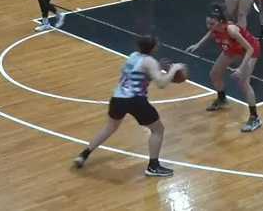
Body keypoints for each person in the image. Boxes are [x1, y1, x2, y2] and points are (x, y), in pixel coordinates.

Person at [74, 35, 185, 177]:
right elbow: (161, 84)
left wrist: (157, 68)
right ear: (154, 47)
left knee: (110, 127)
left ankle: (84, 154)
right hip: (135, 100)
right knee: (158, 130)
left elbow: (136, 73)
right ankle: (153, 166)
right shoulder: (150, 61)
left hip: (117, 97)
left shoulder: (133, 56)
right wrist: (173, 70)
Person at [186, 4, 263, 133]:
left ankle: (255, 118)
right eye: (208, 23)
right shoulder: (216, 28)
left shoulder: (231, 30)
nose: (209, 26)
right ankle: (222, 100)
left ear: (221, 22)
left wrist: (240, 68)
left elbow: (249, 49)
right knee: (214, 74)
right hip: (233, 49)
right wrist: (198, 44)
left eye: (211, 24)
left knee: (244, 83)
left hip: (250, 50)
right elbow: (210, 32)